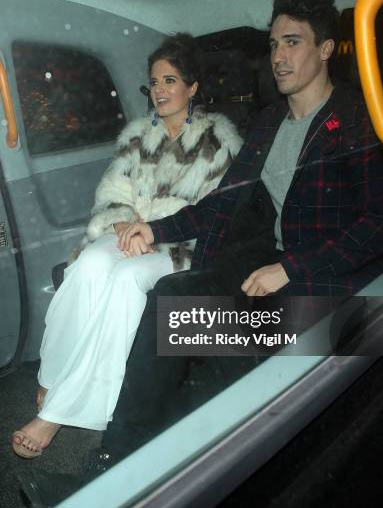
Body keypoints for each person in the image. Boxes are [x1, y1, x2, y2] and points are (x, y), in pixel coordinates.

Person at [17, 0, 383, 504]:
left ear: (328, 49)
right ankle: (108, 465)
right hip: (266, 274)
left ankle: (142, 489)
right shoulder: (269, 124)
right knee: (170, 299)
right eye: (272, 45)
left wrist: (291, 267)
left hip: (326, 292)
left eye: (293, 43)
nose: (279, 57)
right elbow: (223, 203)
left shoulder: (358, 119)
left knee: (216, 374)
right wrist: (159, 230)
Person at [11, 33, 243, 459]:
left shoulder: (220, 144)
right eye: (154, 82)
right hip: (130, 233)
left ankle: (59, 414)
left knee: (126, 279)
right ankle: (54, 373)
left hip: (179, 248)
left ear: (193, 88)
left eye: (170, 81)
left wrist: (158, 234)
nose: (159, 91)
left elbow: (217, 216)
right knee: (89, 266)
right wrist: (120, 223)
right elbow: (113, 188)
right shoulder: (138, 135)